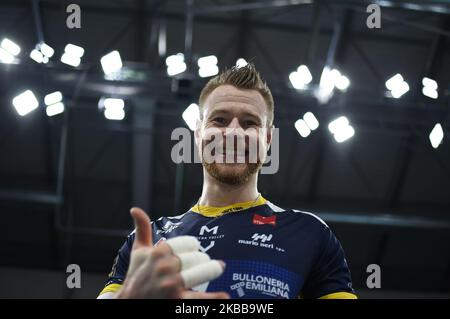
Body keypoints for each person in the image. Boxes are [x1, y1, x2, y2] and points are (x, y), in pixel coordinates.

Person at [98, 64, 357, 299]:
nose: (233, 132)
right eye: (220, 120)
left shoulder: (309, 233)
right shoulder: (148, 241)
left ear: (267, 140)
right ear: (198, 134)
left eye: (249, 123)